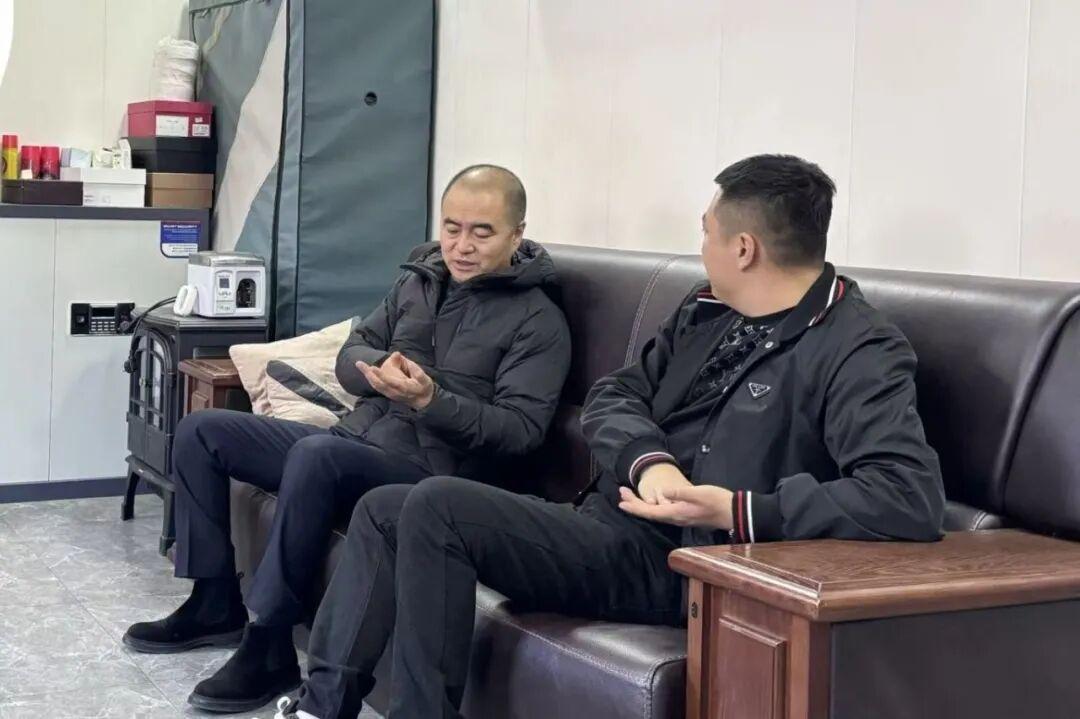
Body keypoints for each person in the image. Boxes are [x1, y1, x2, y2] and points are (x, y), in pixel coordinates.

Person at [270, 154, 946, 719]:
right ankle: (321, 706)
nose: (702, 246)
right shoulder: (708, 311)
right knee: (386, 509)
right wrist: (650, 463)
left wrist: (734, 508)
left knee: (437, 505)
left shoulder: (859, 348)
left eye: (707, 233)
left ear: (744, 248)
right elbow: (615, 395)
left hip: (694, 566)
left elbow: (906, 494)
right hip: (607, 526)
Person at [121, 164, 572, 714]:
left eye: (483, 232)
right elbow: (351, 352)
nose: (462, 246)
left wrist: (431, 401)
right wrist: (376, 371)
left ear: (517, 235)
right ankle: (214, 602)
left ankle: (269, 641)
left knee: (318, 454)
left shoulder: (538, 320)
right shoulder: (418, 280)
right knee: (202, 432)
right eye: (452, 228)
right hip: (358, 438)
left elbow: (521, 432)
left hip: (436, 473)